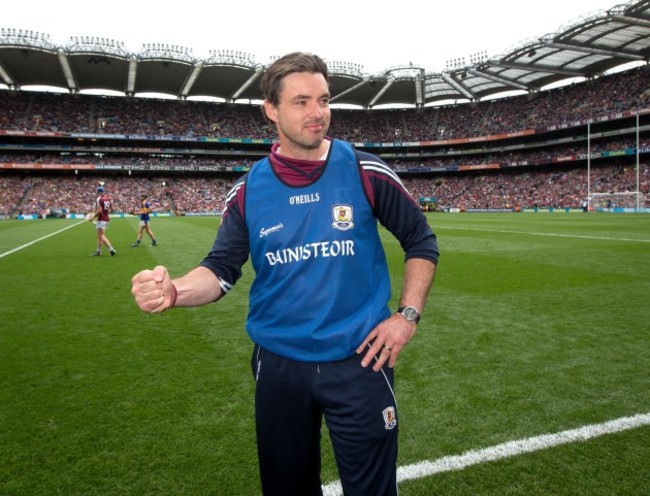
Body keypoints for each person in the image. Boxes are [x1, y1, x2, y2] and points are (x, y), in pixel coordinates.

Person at [131, 52, 438, 496]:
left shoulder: (363, 169)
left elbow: (421, 241)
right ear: (271, 110)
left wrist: (406, 316)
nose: (318, 113)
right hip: (279, 368)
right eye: (301, 102)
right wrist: (174, 290)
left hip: (361, 362)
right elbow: (220, 271)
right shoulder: (248, 190)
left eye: (324, 100)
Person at [89, 185, 116, 256]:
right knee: (99, 236)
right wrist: (106, 212)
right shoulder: (108, 198)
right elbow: (113, 209)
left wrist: (92, 218)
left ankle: (111, 249)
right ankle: (98, 251)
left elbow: (100, 211)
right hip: (107, 219)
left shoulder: (99, 199)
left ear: (98, 192)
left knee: (101, 236)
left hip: (101, 219)